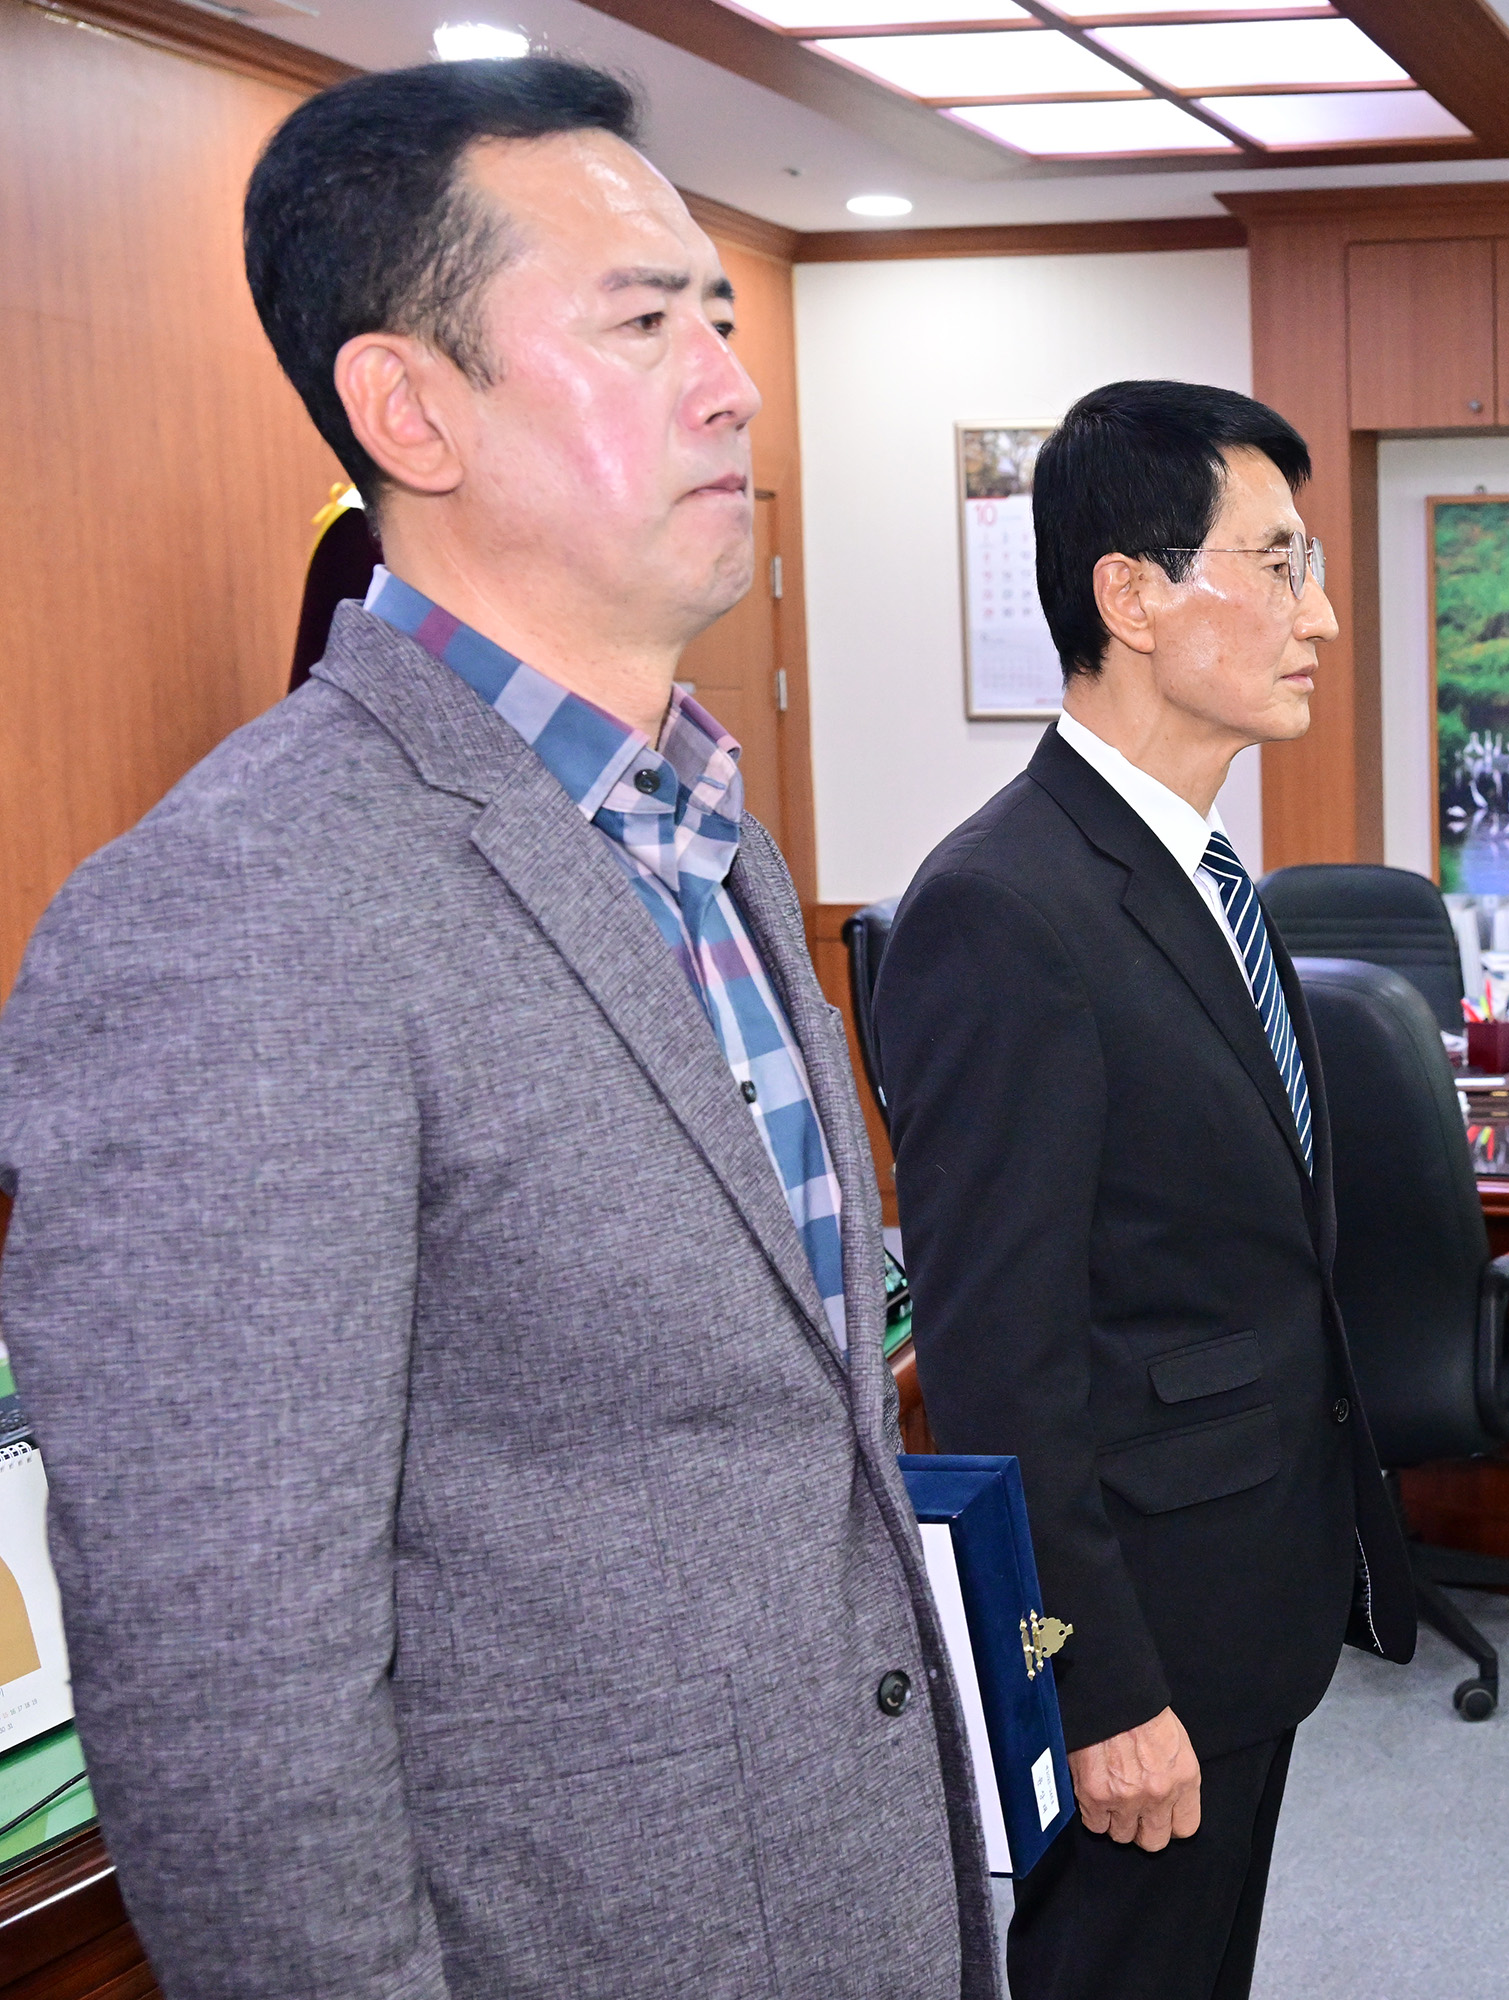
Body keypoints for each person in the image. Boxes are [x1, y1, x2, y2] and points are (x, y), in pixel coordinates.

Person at [0, 59, 994, 1999]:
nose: (730, 377)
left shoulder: (709, 837)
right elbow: (235, 1727)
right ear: (410, 408)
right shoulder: (240, 913)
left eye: (719, 313)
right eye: (643, 321)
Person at [875, 379, 1415, 2000]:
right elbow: (994, 1358)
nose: (1322, 614)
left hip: (1245, 1584)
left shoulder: (1197, 877)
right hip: (1143, 1639)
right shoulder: (1003, 908)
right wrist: (1095, 1686)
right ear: (1132, 594)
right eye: (1280, 562)